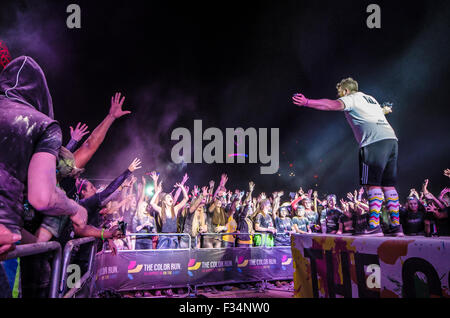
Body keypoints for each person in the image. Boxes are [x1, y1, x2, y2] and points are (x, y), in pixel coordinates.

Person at [293, 77, 403, 236]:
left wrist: (307, 102)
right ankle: (396, 226)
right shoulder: (370, 99)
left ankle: (374, 226)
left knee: (372, 184)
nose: (339, 95)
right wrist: (384, 110)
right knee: (388, 185)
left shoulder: (352, 98)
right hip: (391, 140)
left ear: (345, 90)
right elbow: (379, 112)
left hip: (373, 142)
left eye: (340, 92)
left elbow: (331, 105)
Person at [149, 171, 188, 249]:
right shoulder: (161, 210)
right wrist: (157, 192)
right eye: (168, 197)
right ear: (164, 201)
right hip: (164, 237)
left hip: (174, 237)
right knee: (163, 259)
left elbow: (186, 199)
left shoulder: (175, 209)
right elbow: (152, 203)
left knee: (174, 259)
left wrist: (182, 187)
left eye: (170, 197)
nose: (170, 198)